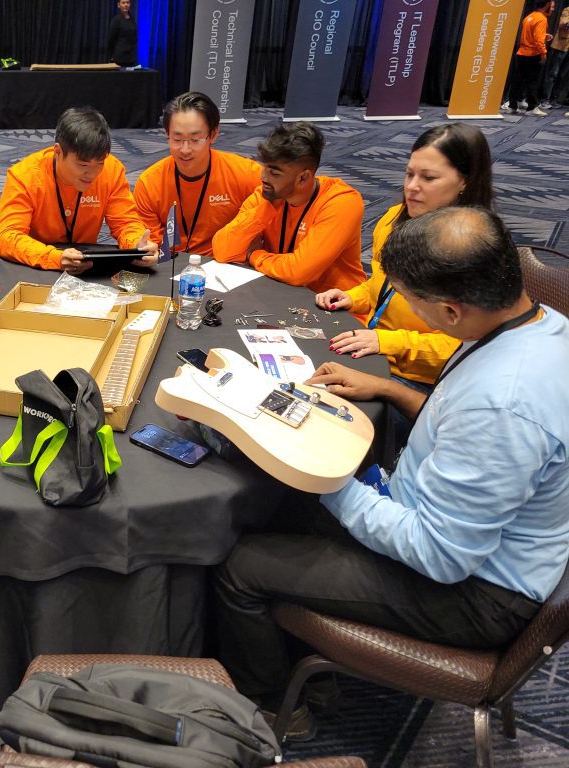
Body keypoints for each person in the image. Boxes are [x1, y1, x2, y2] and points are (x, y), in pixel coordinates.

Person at [213, 206, 569, 738]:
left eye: (409, 298)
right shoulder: (540, 323)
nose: (402, 305)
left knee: (240, 566)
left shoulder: (501, 406)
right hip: (453, 532)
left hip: (475, 591)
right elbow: (461, 431)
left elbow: (440, 556)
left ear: (450, 311)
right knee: (275, 504)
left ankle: (272, 712)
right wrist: (388, 389)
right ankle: (308, 672)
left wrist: (329, 477)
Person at [313, 123, 494, 387]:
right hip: (374, 350)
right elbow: (385, 286)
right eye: (409, 174)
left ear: (465, 181)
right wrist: (353, 297)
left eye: (429, 178)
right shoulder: (392, 220)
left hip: (423, 379)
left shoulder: (474, 252)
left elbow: (464, 348)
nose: (412, 186)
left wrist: (387, 342)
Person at [0, 106, 157, 273]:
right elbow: (6, 237)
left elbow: (125, 223)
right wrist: (54, 257)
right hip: (34, 267)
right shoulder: (24, 176)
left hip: (85, 267)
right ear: (58, 151)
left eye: (100, 163)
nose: (92, 174)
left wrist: (137, 245)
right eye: (83, 165)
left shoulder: (112, 169)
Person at [210, 122, 365, 294]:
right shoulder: (267, 194)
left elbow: (299, 272)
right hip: (278, 294)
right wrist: (265, 210)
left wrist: (253, 255)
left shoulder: (341, 202)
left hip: (334, 308)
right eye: (265, 168)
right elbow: (222, 250)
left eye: (274, 173)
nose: (263, 177)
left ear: (303, 178)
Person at [133, 91, 262, 258]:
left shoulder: (246, 174)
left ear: (213, 134)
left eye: (195, 140)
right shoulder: (150, 182)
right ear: (166, 135)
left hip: (225, 263)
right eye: (177, 139)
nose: (185, 150)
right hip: (171, 264)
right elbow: (152, 244)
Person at [510, 0, 554, 116]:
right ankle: (532, 108)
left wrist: (544, 35)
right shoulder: (542, 19)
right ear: (546, 4)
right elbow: (538, 41)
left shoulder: (529, 17)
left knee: (519, 80)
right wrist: (543, 54)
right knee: (533, 81)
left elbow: (530, 34)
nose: (553, 8)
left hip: (521, 53)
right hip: (532, 54)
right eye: (552, 5)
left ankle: (514, 104)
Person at [542, 3, 569, 108]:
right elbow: (563, 23)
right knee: (553, 74)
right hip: (561, 46)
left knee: (563, 75)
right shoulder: (567, 10)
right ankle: (545, 99)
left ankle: (555, 99)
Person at [107, 0, 137, 68]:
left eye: (127, 2)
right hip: (119, 57)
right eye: (123, 3)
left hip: (130, 57)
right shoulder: (116, 20)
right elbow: (111, 39)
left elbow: (134, 37)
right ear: (118, 5)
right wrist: (112, 55)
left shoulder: (132, 19)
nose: (126, 5)